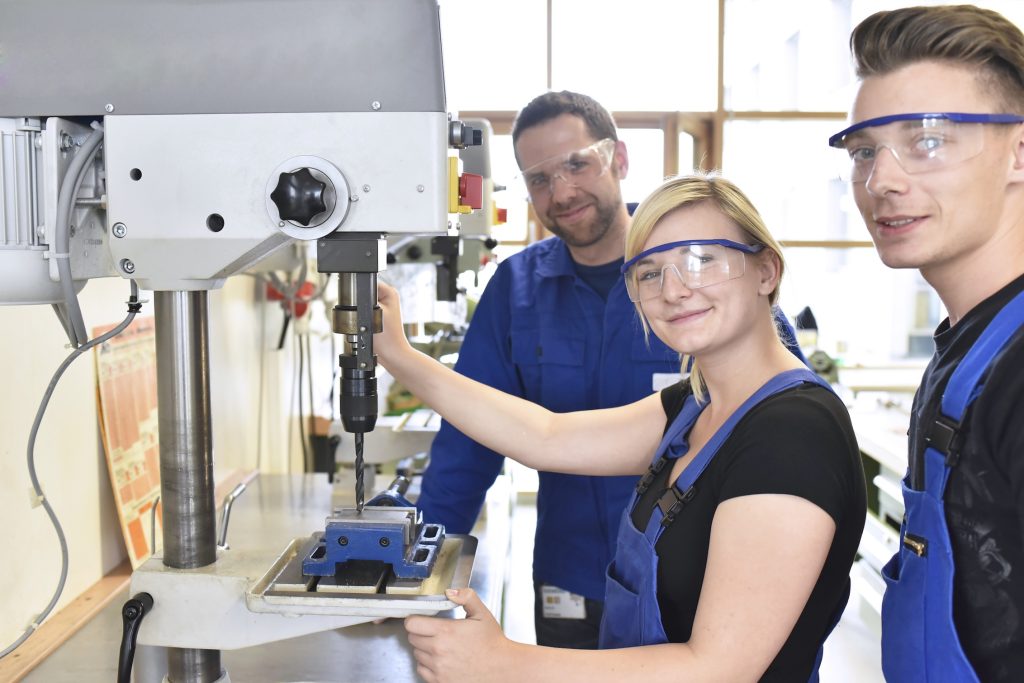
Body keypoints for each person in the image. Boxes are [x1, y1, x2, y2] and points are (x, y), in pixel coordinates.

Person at [378, 174, 866, 682]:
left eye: (701, 259)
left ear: (766, 270)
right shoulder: (696, 405)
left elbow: (718, 670)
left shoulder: (792, 435)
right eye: (649, 273)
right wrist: (399, 356)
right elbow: (547, 437)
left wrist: (504, 662)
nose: (673, 290)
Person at [414, 90, 681, 649]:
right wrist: (422, 565)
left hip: (689, 571)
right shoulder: (516, 290)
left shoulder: (692, 269)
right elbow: (470, 437)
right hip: (571, 572)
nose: (560, 192)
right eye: (539, 179)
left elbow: (774, 406)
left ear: (620, 159)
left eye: (577, 164)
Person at [829, 6, 1024, 681]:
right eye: (863, 152)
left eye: (928, 140)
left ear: (1019, 152)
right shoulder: (969, 346)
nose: (880, 181)